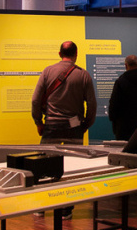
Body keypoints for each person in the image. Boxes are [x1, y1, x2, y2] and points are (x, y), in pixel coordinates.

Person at [31, 41, 96, 219]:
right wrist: (85, 125)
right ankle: (66, 209)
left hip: (51, 125)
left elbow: (36, 100)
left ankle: (41, 206)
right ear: (76, 54)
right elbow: (91, 104)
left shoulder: (47, 71)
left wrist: (38, 121)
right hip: (74, 127)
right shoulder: (83, 75)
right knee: (71, 168)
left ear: (60, 53)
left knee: (43, 165)